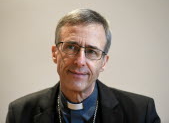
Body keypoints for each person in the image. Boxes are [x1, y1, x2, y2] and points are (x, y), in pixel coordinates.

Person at [6, 9, 160, 123]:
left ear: (104, 62)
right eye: (71, 47)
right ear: (55, 53)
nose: (80, 61)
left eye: (92, 51)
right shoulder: (20, 113)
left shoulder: (141, 113)